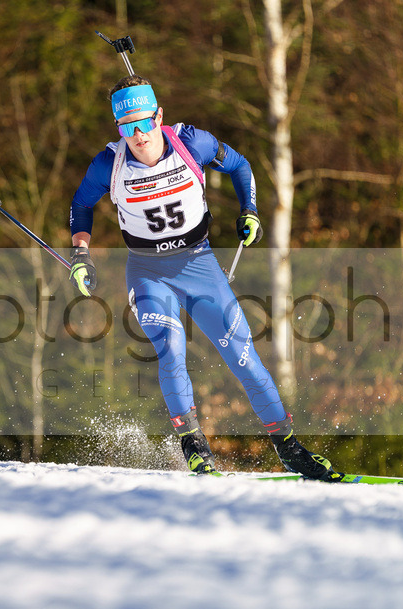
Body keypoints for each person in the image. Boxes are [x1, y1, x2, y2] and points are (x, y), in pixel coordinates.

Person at [67, 74, 341, 481]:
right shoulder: (110, 163)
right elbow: (81, 205)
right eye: (128, 127)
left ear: (159, 116)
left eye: (145, 123)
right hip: (148, 272)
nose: (139, 136)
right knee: (170, 346)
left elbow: (240, 165)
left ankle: (290, 449)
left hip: (200, 265)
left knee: (244, 357)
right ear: (118, 128)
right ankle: (194, 445)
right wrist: (81, 254)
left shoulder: (190, 142)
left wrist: (249, 211)